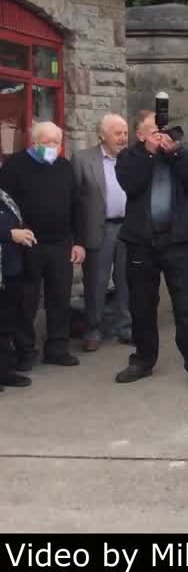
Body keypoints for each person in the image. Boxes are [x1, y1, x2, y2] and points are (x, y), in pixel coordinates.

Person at [113, 110, 188, 388]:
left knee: (185, 305)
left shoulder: (180, 155)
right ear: (140, 135)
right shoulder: (129, 158)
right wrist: (149, 154)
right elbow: (131, 185)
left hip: (177, 241)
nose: (160, 136)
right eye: (153, 131)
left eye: (162, 131)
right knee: (142, 306)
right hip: (141, 242)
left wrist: (175, 154)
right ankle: (143, 360)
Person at [0, 121, 85, 370]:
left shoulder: (64, 166)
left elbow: (76, 205)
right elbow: (4, 204)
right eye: (46, 143)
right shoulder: (14, 166)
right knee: (26, 300)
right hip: (28, 243)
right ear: (34, 143)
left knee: (59, 297)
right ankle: (26, 350)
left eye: (56, 143)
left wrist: (78, 242)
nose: (51, 147)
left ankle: (58, 347)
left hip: (60, 243)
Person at [72, 114, 133, 352]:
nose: (123, 138)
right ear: (102, 135)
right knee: (96, 282)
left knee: (126, 280)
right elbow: (75, 200)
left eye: (125, 133)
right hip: (99, 229)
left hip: (128, 228)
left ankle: (125, 327)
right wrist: (77, 237)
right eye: (117, 133)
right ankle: (93, 330)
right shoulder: (83, 159)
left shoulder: (131, 159)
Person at [1, 185, 35, 391]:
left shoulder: (3, 194)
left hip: (9, 269)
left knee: (6, 324)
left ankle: (5, 371)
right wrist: (10, 233)